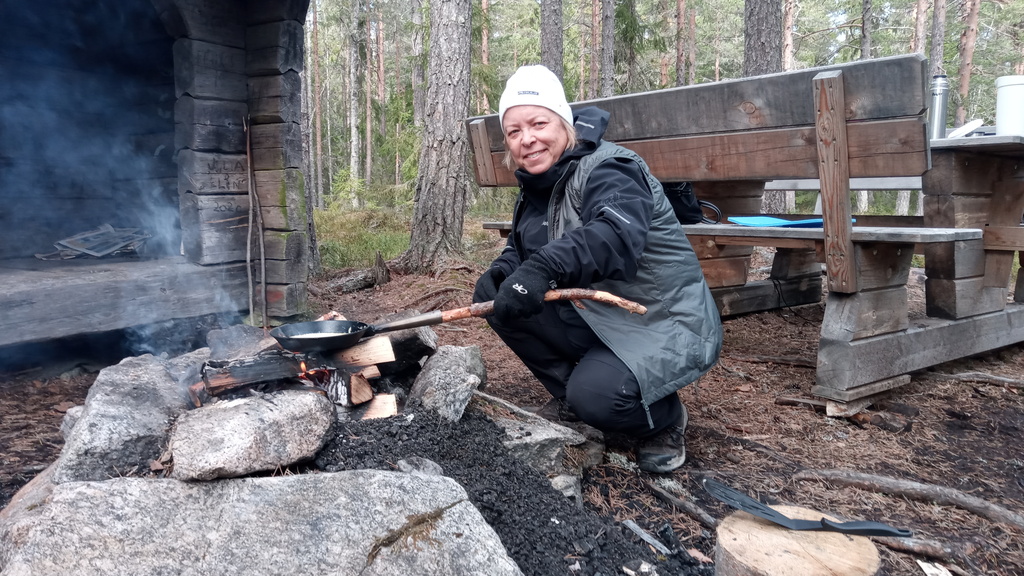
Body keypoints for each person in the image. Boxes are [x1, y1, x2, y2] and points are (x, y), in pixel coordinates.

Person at [473, 65, 723, 473]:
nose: (527, 138)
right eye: (514, 131)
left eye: (538, 123)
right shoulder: (539, 183)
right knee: (492, 299)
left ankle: (661, 420)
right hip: (601, 315)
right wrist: (505, 268)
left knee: (599, 398)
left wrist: (542, 268)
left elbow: (613, 237)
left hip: (660, 321)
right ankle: (576, 396)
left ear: (565, 123)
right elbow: (526, 243)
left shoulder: (611, 168)